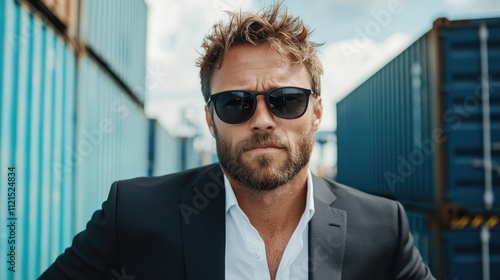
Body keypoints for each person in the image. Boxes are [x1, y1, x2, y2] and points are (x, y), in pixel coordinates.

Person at [40, 2, 435, 280]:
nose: (262, 121)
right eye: (235, 103)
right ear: (211, 119)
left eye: (286, 100)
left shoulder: (384, 230)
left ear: (316, 112)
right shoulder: (133, 217)